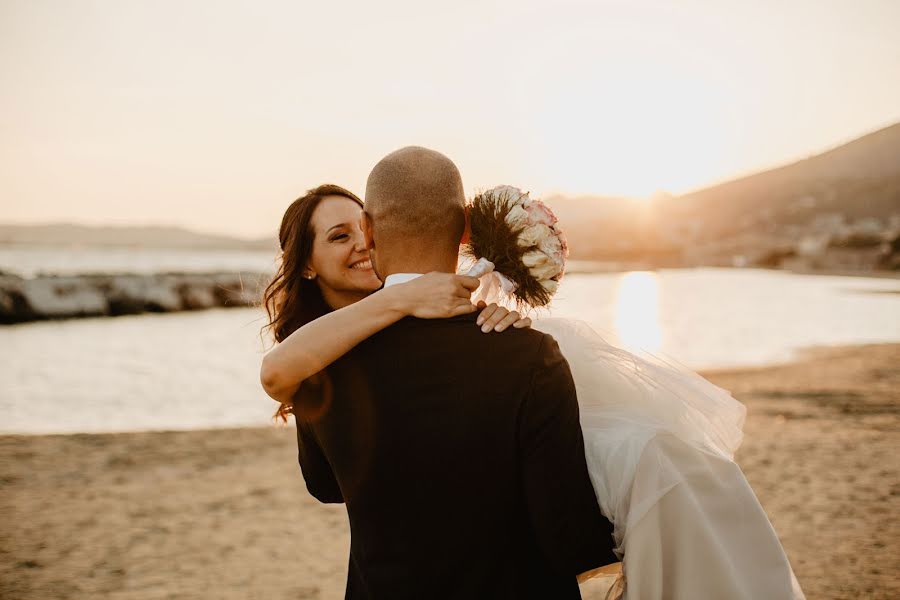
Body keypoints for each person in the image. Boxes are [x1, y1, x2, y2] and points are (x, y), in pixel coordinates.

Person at [261, 163, 617, 598]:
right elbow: (570, 538)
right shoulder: (526, 356)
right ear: (464, 229)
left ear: (373, 230)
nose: (358, 244)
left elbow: (326, 485)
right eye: (338, 236)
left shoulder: (321, 371)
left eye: (358, 229)